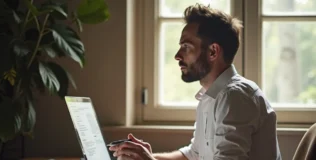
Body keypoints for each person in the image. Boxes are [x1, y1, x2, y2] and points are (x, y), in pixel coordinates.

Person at [109, 3, 282, 160]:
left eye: (186, 47)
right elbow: (194, 154)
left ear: (213, 51)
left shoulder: (234, 96)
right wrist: (145, 156)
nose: (177, 55)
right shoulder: (210, 96)